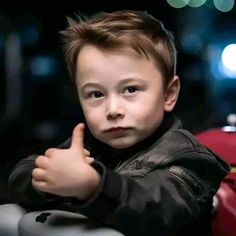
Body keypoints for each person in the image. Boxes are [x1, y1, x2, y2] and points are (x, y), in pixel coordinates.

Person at [1, 10, 230, 236]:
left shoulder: (192, 160)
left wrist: (93, 185)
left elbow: (157, 210)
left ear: (168, 95)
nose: (112, 110)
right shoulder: (89, 145)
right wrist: (46, 179)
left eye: (130, 89)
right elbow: (20, 176)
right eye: (96, 94)